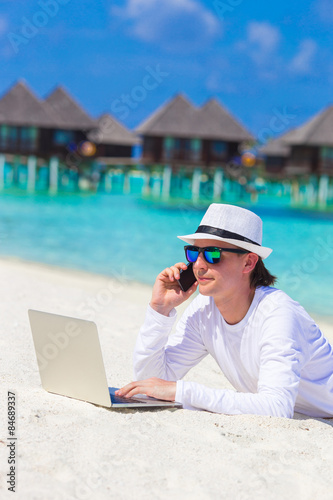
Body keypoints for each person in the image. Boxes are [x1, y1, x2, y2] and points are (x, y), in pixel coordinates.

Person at [116, 204, 333, 418]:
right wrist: (160, 310)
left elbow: (277, 407)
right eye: (193, 253)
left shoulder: (278, 313)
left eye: (213, 254)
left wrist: (182, 391)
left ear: (248, 262)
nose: (198, 265)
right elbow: (151, 381)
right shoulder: (203, 311)